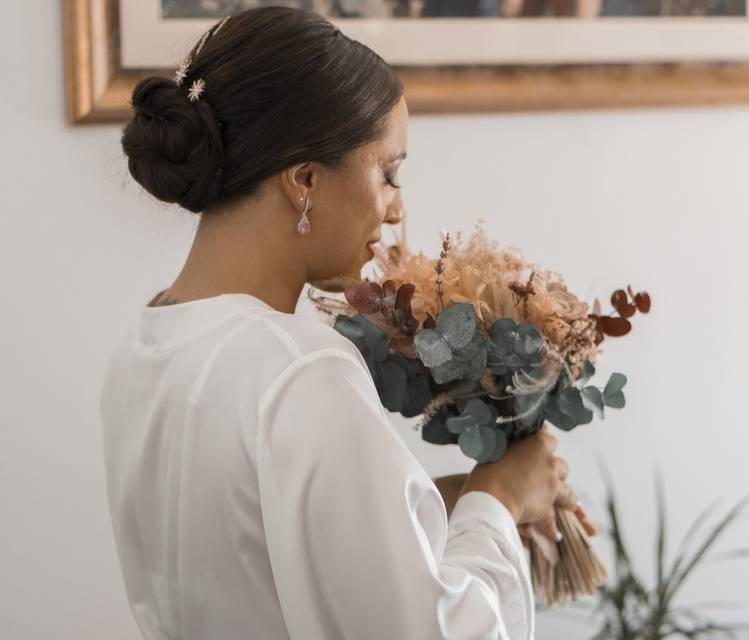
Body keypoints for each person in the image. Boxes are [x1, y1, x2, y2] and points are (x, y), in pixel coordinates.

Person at [100, 7, 596, 639]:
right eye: (388, 172)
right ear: (305, 179)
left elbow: (250, 547)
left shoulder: (148, 345)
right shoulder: (300, 368)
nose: (397, 209)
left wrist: (439, 503)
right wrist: (494, 503)